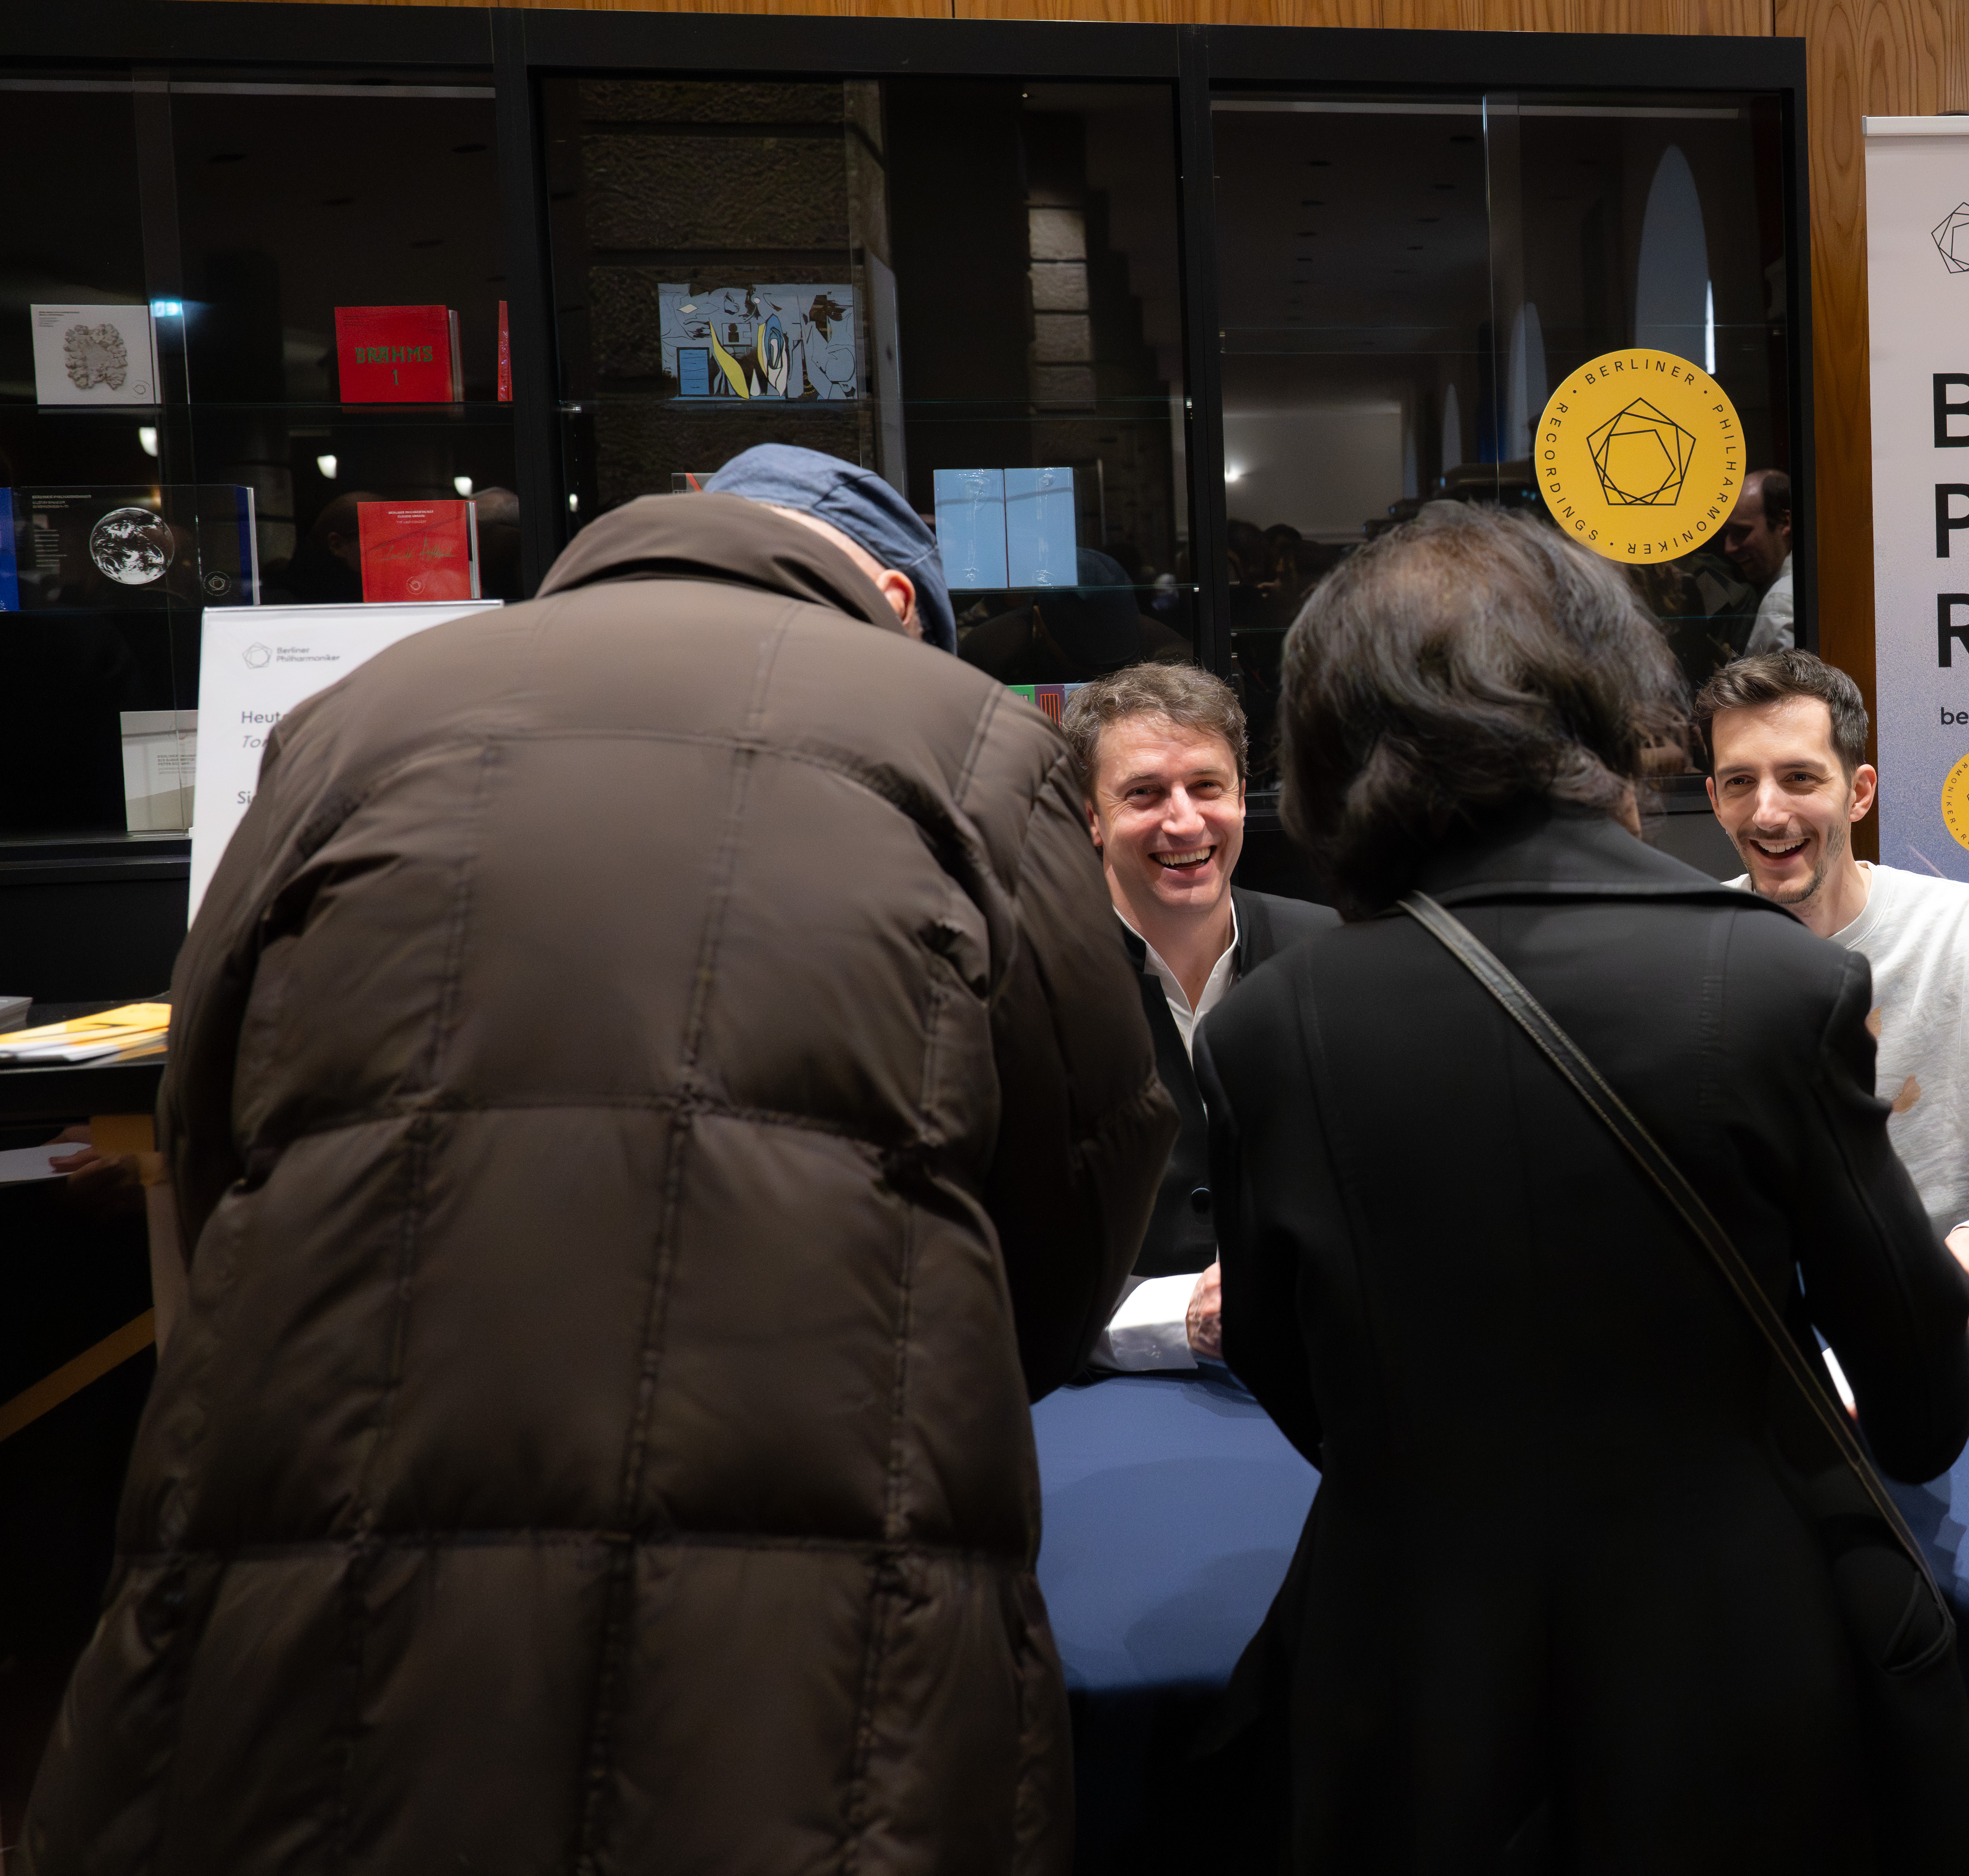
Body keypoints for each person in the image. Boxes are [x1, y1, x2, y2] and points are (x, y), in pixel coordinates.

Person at [28, 445, 1172, 1875]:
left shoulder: (351, 720)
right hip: (818, 1508)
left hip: (330, 1492)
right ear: (890, 593)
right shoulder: (970, 737)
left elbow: (211, 1123)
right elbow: (1084, 1167)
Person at [1197, 502, 1969, 1872]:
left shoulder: (1267, 1030)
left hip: (1408, 1682)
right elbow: (1917, 1408)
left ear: (1328, 735)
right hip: (1740, 1678)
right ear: (1595, 696)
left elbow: (1287, 1369)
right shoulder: (1776, 982)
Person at [1696, 649, 1969, 1338]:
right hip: (1745, 1334)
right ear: (1715, 800)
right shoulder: (1681, 950)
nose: (1769, 811)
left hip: (1931, 1325)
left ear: (1859, 791)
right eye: (1741, 781)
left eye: (1800, 776)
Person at [1064, 659, 1333, 1370]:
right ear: (1091, 816)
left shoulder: (1336, 956)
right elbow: (998, 1261)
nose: (1183, 819)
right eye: (1144, 793)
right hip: (1099, 1409)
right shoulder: (1027, 984)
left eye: (1206, 786)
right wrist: (1176, 1318)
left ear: (1243, 796)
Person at [1726, 467, 1798, 652]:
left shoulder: (1780, 602)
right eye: (1727, 534)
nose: (1729, 548)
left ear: (1785, 522)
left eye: (1741, 532)